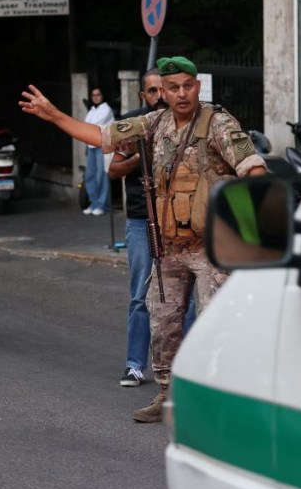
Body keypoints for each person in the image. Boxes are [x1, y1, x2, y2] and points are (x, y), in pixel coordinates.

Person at [20, 56, 267, 422]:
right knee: (163, 323)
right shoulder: (152, 124)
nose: (182, 93)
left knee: (218, 325)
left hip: (212, 246)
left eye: (188, 85)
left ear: (198, 86)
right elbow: (102, 137)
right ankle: (167, 396)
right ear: (162, 92)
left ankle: (223, 400)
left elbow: (255, 172)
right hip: (168, 247)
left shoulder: (218, 124)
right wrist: (54, 114)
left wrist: (252, 230)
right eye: (173, 87)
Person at [107, 68, 195, 388]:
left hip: (177, 220)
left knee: (185, 295)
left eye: (165, 89)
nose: (160, 96)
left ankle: (189, 365)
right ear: (143, 95)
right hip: (141, 219)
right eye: (153, 91)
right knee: (141, 294)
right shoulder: (133, 124)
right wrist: (139, 155)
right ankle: (134, 365)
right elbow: (114, 170)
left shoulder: (187, 123)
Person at [82, 87, 114, 215]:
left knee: (102, 175)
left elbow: (94, 125)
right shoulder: (92, 110)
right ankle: (94, 203)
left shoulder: (106, 109)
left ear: (102, 96)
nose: (95, 97)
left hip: (102, 145)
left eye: (98, 94)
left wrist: (88, 126)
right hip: (91, 146)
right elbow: (85, 125)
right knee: (90, 175)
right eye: (93, 95)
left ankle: (102, 205)